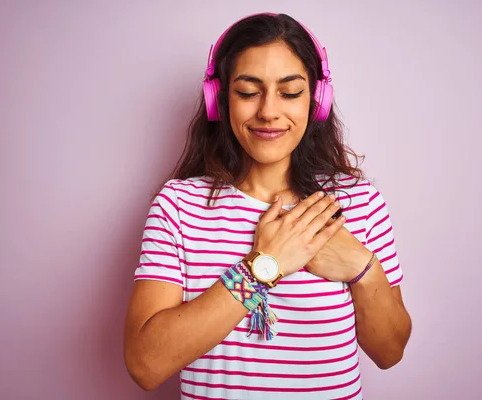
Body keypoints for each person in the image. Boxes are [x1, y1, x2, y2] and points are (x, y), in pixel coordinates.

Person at [123, 12, 412, 399]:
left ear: (318, 100)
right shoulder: (179, 207)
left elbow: (390, 352)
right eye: (248, 91)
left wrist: (363, 268)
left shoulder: (359, 202)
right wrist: (264, 266)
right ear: (220, 100)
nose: (268, 111)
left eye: (290, 92)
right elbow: (145, 365)